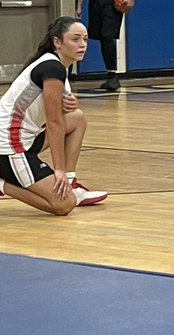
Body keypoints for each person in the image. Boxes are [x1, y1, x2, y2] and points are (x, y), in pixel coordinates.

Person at [0, 17, 107, 215]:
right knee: (64, 204)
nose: (82, 44)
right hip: (9, 145)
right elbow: (54, 121)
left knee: (77, 118)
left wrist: (69, 104)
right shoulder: (52, 67)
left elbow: (55, 110)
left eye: (85, 39)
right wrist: (58, 169)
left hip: (26, 138)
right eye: (75, 39)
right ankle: (3, 185)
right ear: (57, 42)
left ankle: (71, 181)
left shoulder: (59, 65)